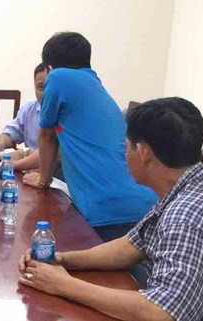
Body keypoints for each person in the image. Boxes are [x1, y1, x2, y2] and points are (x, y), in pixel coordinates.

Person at [19, 97, 203, 321]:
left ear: (143, 152)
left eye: (126, 146)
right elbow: (130, 246)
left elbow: (161, 313)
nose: (123, 154)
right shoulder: (189, 186)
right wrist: (62, 260)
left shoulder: (185, 216)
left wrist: (63, 285)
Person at [23, 32, 157, 241]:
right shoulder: (94, 85)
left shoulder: (59, 78)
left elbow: (47, 137)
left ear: (49, 68)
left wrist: (43, 180)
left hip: (108, 212)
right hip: (144, 205)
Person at [0, 63, 45, 173]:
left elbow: (52, 154)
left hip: (49, 176)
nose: (45, 93)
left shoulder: (65, 115)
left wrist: (17, 160)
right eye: (41, 87)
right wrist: (1, 141)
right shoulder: (29, 109)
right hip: (26, 171)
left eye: (49, 87)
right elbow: (11, 133)